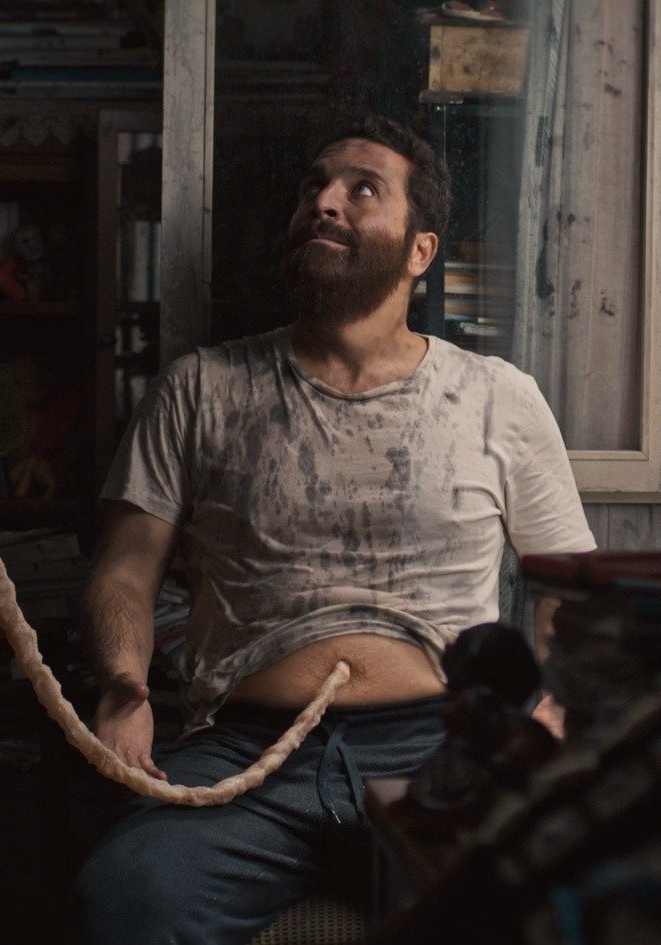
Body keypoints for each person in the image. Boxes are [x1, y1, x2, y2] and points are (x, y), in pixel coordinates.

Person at [71, 114, 595, 944]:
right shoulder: (201, 389)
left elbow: (572, 587)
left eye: (363, 189)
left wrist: (556, 713)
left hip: (442, 742)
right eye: (314, 185)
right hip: (246, 751)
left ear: (420, 251)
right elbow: (125, 571)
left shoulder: (499, 397)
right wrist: (123, 686)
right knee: (126, 894)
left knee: (545, 897)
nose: (324, 202)